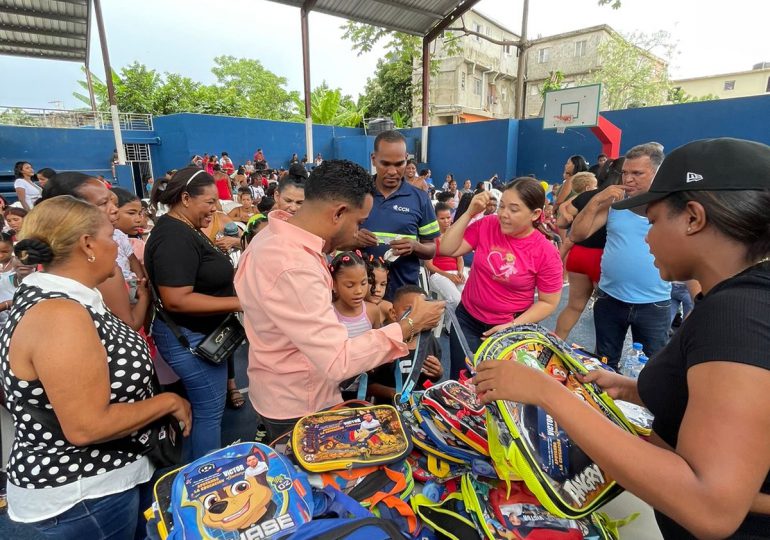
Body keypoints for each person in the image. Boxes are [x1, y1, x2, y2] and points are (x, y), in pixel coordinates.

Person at [475, 137, 770, 539]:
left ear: (693, 218)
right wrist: (636, 389)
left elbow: (710, 506)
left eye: (652, 222)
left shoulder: (738, 315)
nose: (646, 238)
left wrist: (547, 393)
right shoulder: (741, 302)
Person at [0, 195, 191, 539]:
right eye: (109, 237)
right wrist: (169, 402)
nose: (115, 246)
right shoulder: (60, 314)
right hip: (84, 498)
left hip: (101, 487)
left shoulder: (68, 300)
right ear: (87, 244)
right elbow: (86, 426)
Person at [235, 160, 444, 440]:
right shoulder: (296, 267)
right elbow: (337, 360)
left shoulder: (271, 237)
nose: (359, 231)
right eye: (358, 222)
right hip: (301, 405)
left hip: (277, 386)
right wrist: (409, 325)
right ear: (338, 213)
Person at [144, 167, 242, 459]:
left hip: (200, 335)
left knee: (207, 409)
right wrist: (241, 302)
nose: (216, 209)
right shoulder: (174, 237)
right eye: (210, 202)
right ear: (185, 198)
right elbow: (177, 299)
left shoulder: (183, 229)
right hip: (190, 339)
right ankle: (209, 475)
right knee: (209, 411)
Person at [440, 178, 563, 380]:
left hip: (509, 327)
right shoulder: (488, 224)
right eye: (502, 206)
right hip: (468, 319)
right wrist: (469, 212)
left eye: (514, 210)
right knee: (461, 381)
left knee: (498, 388)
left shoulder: (546, 251)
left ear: (535, 214)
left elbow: (548, 302)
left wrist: (513, 326)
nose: (504, 214)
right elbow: (447, 248)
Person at [570, 143, 671, 368]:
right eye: (626, 172)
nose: (629, 178)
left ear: (656, 174)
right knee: (604, 365)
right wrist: (596, 200)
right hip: (610, 299)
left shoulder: (670, 207)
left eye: (637, 173)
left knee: (652, 370)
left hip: (654, 303)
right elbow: (577, 234)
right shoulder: (615, 203)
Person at [41, 173, 150, 331]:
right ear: (74, 210)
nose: (114, 210)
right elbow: (127, 326)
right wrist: (145, 297)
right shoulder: (101, 269)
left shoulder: (53, 258)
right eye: (103, 203)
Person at [357, 131, 440, 300]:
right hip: (360, 297)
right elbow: (335, 241)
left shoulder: (420, 199)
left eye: (399, 164)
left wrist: (415, 247)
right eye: (385, 164)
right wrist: (353, 238)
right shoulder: (357, 195)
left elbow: (431, 249)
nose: (392, 171)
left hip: (403, 295)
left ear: (406, 158)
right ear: (373, 159)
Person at [554, 163, 621, 339]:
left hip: (578, 254)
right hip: (602, 257)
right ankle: (603, 357)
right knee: (606, 312)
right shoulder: (622, 199)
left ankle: (554, 344)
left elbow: (561, 222)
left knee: (574, 307)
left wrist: (566, 215)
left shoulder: (587, 196)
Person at [367, 285, 444, 403]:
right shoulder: (385, 343)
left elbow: (431, 378)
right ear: (393, 313)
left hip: (419, 408)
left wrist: (438, 373)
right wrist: (395, 393)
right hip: (388, 409)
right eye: (409, 310)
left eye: (421, 311)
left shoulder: (430, 341)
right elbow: (368, 385)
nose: (415, 315)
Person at [425, 202, 467, 313]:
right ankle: (449, 328)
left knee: (468, 299)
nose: (446, 221)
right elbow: (429, 265)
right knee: (455, 299)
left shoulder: (455, 235)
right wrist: (448, 275)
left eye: (448, 217)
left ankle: (459, 326)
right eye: (442, 218)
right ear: (436, 219)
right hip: (439, 275)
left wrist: (460, 272)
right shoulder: (430, 237)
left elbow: (460, 259)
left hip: (455, 273)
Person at [365, 255, 392, 327]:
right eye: (371, 282)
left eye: (383, 284)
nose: (378, 289)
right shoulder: (355, 306)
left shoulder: (387, 308)